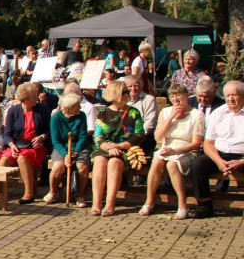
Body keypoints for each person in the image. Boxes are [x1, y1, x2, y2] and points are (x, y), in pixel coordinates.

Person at [139, 84, 205, 219]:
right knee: (156, 162)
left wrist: (175, 151)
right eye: (172, 96)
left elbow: (196, 143)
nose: (176, 99)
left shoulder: (197, 114)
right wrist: (171, 118)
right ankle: (149, 201)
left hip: (186, 149)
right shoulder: (166, 112)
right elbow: (158, 137)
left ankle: (182, 205)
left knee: (172, 164)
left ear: (187, 97)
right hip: (167, 147)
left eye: (179, 95)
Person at [189, 80, 244, 219]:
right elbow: (208, 143)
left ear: (242, 95)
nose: (230, 99)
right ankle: (205, 205)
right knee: (198, 165)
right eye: (227, 95)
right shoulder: (218, 113)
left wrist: (242, 162)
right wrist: (219, 161)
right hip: (221, 154)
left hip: (242, 156)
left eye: (234, 95)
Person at [90, 80, 145, 216]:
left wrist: (119, 146)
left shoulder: (134, 113)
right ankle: (96, 202)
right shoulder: (103, 113)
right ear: (115, 94)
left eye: (127, 92)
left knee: (114, 162)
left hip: (126, 148)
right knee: (99, 161)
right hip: (105, 147)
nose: (128, 94)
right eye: (124, 92)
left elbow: (139, 135)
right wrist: (108, 147)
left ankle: (110, 203)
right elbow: (97, 136)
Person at [0, 82, 51, 204]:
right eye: (34, 97)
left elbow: (50, 130)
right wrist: (11, 145)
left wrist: (42, 137)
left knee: (22, 158)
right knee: (4, 160)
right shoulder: (13, 111)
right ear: (25, 100)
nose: (37, 98)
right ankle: (0, 191)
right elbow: (7, 134)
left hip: (36, 146)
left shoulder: (42, 109)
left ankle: (29, 193)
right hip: (18, 145)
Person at [44, 93, 91, 206]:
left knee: (82, 167)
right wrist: (65, 155)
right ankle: (52, 192)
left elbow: (83, 137)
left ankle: (79, 195)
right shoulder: (56, 118)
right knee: (58, 167)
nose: (80, 108)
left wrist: (75, 153)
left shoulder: (82, 115)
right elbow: (55, 141)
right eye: (77, 106)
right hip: (62, 147)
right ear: (67, 109)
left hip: (79, 146)